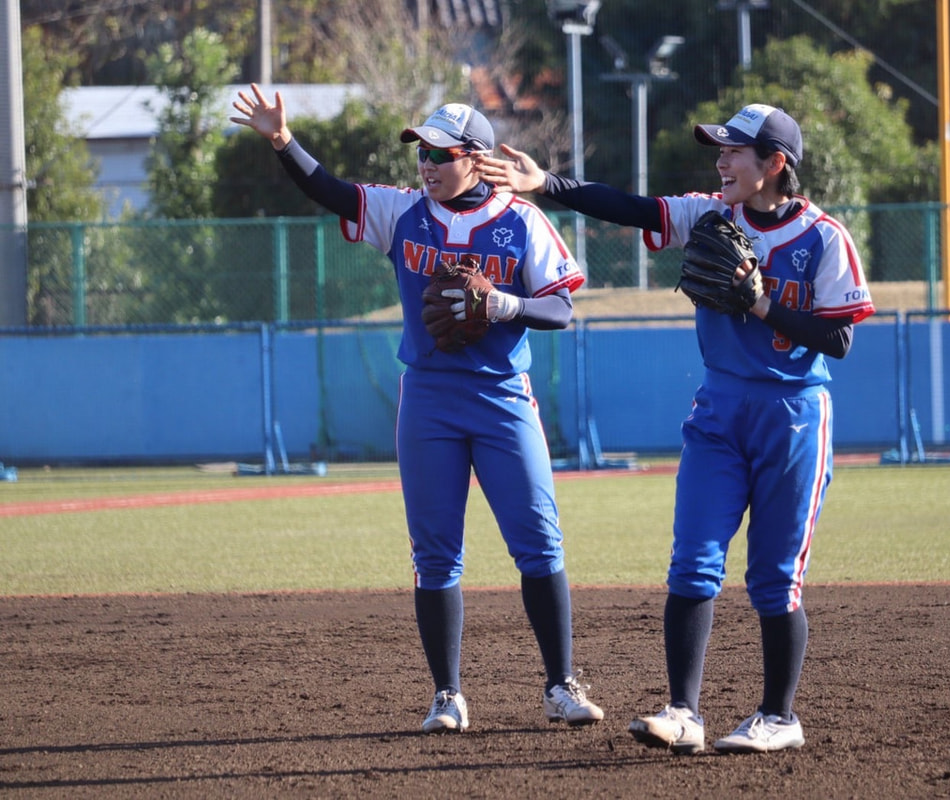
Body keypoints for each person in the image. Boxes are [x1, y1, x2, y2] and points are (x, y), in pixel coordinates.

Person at [476, 103, 874, 754]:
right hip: (719, 410)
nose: (720, 160)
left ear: (775, 164)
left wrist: (761, 303)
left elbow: (839, 337)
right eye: (717, 149)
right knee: (693, 561)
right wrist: (547, 184)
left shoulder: (823, 238)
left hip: (795, 415)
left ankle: (778, 716)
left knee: (775, 578)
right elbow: (631, 207)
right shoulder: (709, 215)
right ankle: (684, 711)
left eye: (733, 151)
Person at [230, 85, 603, 734]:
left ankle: (559, 685)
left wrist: (504, 306)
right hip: (428, 397)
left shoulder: (521, 220)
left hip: (501, 397)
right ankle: (447, 695)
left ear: (479, 159)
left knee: (539, 543)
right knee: (435, 554)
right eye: (421, 151)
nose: (425, 163)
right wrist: (282, 142)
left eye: (439, 152)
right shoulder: (404, 212)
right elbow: (331, 191)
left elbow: (560, 308)